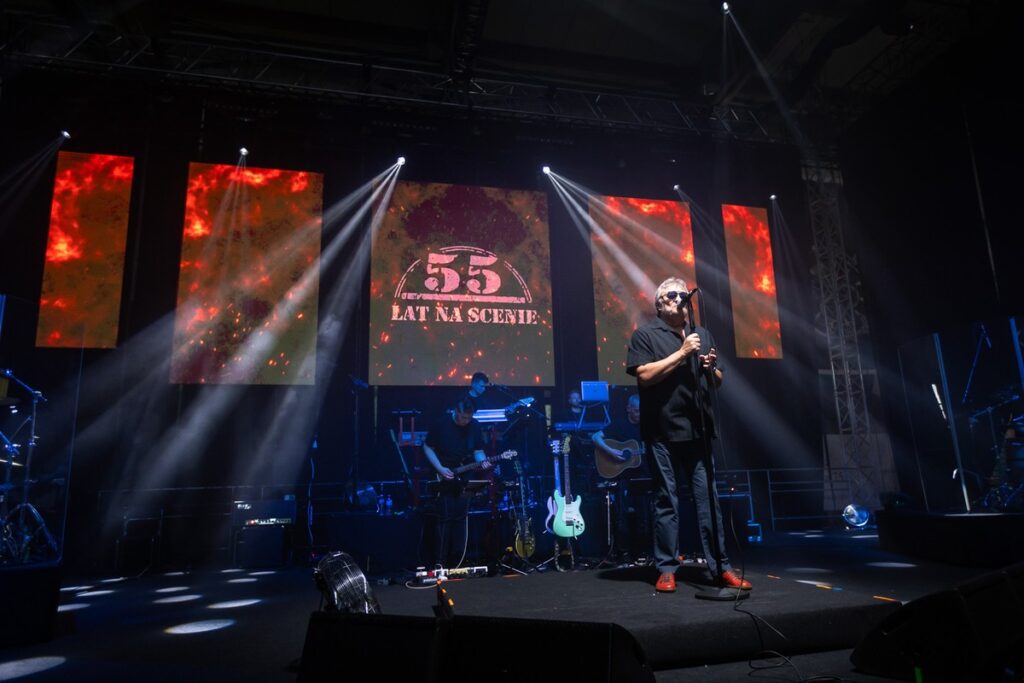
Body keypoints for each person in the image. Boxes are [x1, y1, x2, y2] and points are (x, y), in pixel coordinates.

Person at [626, 277, 751, 593]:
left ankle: (720, 566)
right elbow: (644, 376)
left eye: (683, 294)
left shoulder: (701, 334)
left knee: (708, 499)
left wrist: (710, 367)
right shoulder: (645, 335)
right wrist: (683, 353)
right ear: (660, 303)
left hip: (698, 427)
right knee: (667, 499)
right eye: (672, 295)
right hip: (662, 431)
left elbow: (718, 380)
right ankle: (667, 567)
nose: (679, 299)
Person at [422, 397, 491, 568]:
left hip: (466, 476)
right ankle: (440, 563)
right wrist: (439, 468)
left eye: (468, 418)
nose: (465, 422)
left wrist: (483, 461)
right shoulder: (441, 424)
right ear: (455, 412)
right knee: (445, 518)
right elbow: (427, 446)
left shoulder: (474, 426)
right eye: (463, 418)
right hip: (444, 475)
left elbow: (478, 450)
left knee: (462, 517)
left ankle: (458, 563)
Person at [591, 394, 652, 561]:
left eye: (642, 411)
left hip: (642, 476)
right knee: (622, 516)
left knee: (644, 516)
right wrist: (612, 452)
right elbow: (595, 437)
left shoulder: (647, 426)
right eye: (637, 411)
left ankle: (643, 553)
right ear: (629, 409)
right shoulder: (619, 425)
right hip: (622, 477)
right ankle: (623, 553)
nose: (640, 414)